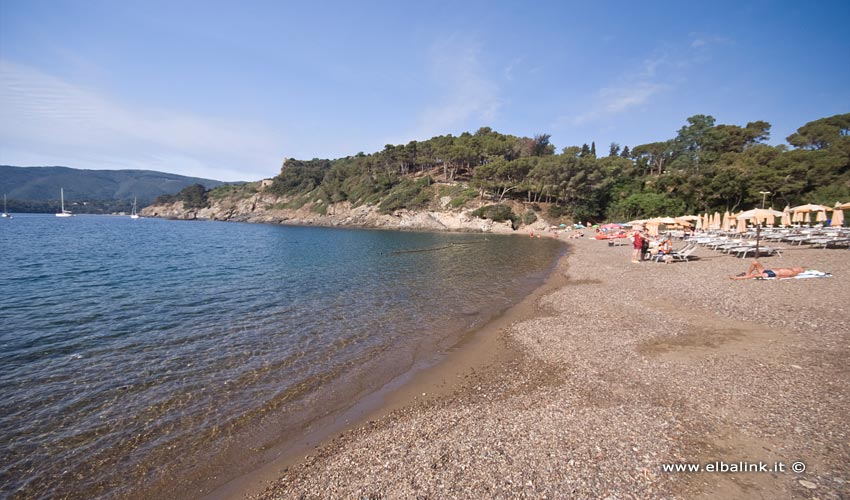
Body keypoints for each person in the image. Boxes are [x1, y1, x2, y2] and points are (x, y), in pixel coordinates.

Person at [730, 260, 806, 280]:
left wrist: (779, 276)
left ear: (800, 271)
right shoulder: (790, 268)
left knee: (754, 275)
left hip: (772, 274)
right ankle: (748, 273)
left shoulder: (793, 273)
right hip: (768, 270)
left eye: (799, 268)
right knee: (755, 262)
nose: (797, 267)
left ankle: (737, 278)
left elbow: (788, 276)